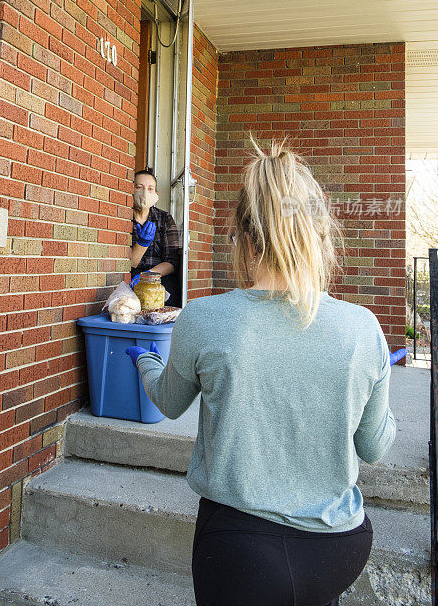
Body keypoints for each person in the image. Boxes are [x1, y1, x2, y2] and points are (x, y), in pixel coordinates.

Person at [125, 136, 396, 606]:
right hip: (338, 547)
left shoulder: (205, 318)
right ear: (316, 231)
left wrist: (147, 361)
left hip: (238, 549)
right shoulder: (364, 329)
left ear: (245, 238)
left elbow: (169, 403)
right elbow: (373, 446)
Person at [130, 167, 182, 307]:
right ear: (131, 189)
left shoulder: (164, 219)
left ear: (156, 194)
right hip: (130, 276)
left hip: (158, 275)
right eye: (139, 187)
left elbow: (172, 262)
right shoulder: (122, 217)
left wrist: (147, 276)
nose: (145, 193)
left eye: (150, 188)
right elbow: (128, 263)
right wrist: (142, 244)